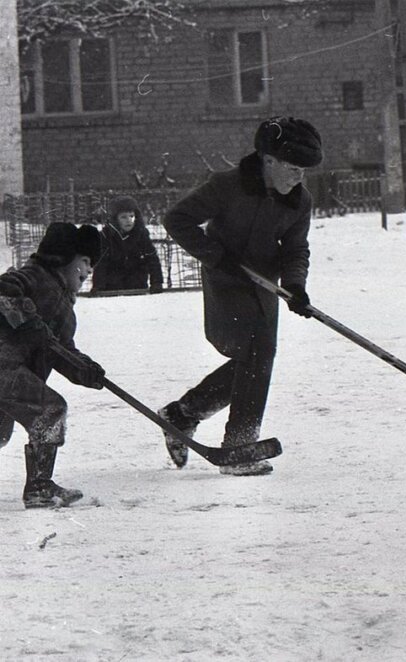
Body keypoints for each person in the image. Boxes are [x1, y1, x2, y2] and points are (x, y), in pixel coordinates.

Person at [159, 116, 322, 476]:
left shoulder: (299, 201)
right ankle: (238, 444)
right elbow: (177, 219)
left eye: (304, 171)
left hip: (265, 285)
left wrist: (295, 286)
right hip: (227, 282)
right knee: (255, 355)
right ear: (269, 161)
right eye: (294, 168)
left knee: (257, 359)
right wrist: (215, 256)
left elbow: (296, 248)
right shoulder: (228, 186)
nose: (299, 178)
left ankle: (182, 414)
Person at [0, 223, 106, 508]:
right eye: (85, 261)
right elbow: (4, 289)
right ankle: (39, 487)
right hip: (4, 367)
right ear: (64, 259)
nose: (89, 270)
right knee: (50, 409)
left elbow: (61, 351)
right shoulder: (35, 277)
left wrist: (85, 369)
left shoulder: (66, 312)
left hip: (11, 377)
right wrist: (26, 318)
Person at [91, 196, 165, 294]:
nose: (129, 220)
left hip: (138, 285)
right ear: (115, 219)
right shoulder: (105, 236)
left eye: (131, 216)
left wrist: (156, 282)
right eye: (123, 217)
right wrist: (98, 286)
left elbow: (152, 258)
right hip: (112, 287)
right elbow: (101, 263)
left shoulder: (141, 234)